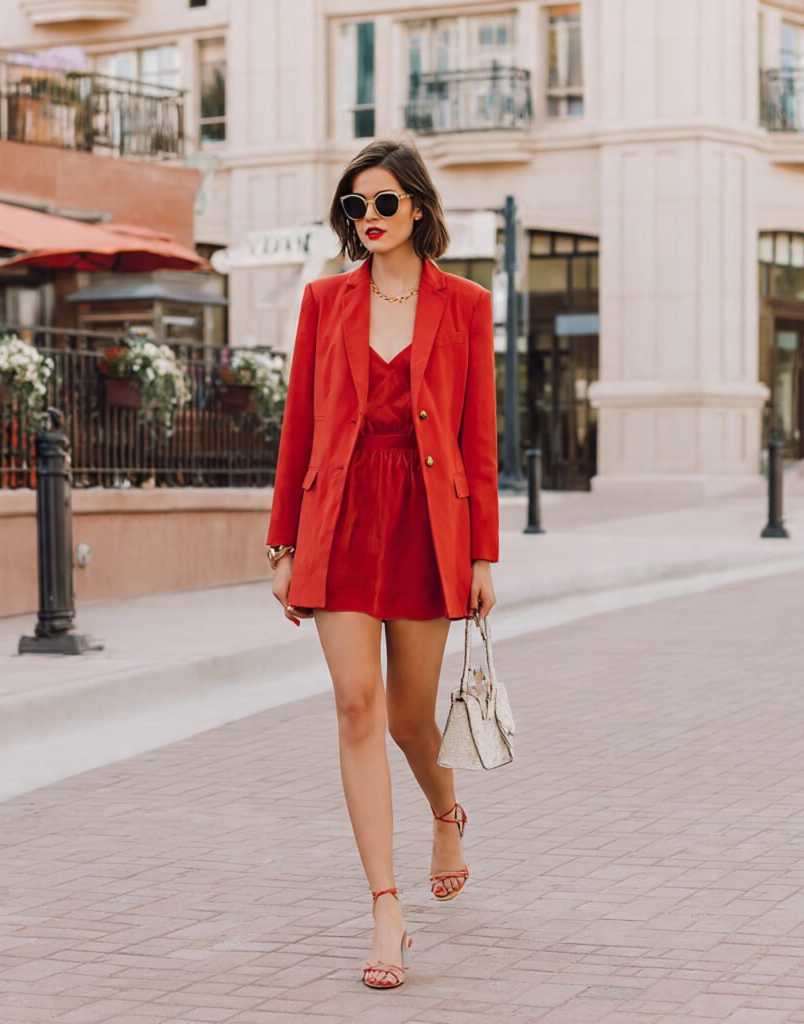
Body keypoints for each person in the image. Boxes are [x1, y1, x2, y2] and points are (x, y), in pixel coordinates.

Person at [265, 138, 499, 990]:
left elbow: (479, 439)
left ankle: (446, 811)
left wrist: (483, 555)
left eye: (384, 203)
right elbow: (298, 427)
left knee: (407, 716)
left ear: (418, 208)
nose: (368, 217)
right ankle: (386, 909)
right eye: (354, 206)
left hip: (428, 526)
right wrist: (283, 544)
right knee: (356, 704)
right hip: (339, 519)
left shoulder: (465, 304)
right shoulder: (324, 301)